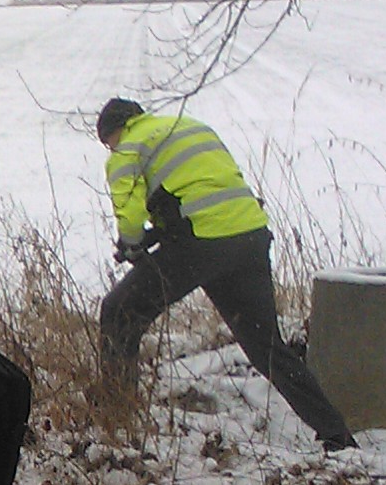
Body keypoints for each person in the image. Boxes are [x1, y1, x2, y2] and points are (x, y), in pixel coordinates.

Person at [95, 98, 355, 450]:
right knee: (266, 346)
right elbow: (200, 192)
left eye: (106, 143)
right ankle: (336, 434)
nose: (110, 149)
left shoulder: (127, 149)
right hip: (249, 237)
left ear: (114, 132)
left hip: (201, 242)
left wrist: (131, 245)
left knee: (119, 313)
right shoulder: (188, 127)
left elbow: (129, 215)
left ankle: (117, 421)